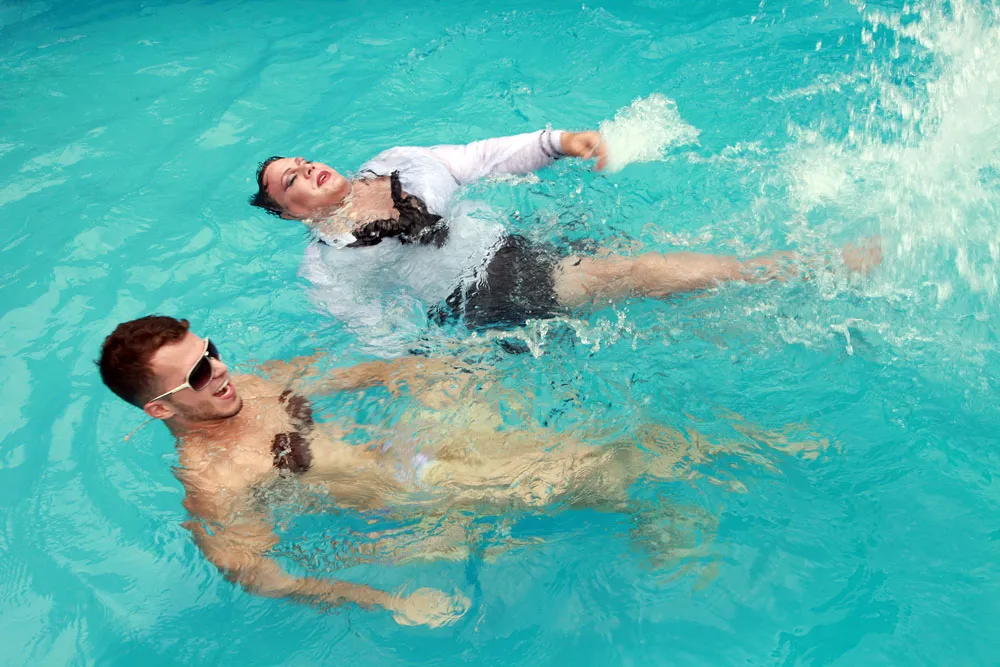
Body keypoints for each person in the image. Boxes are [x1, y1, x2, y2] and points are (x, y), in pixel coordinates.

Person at [97, 315, 824, 626]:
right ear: (161, 408)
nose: (220, 369)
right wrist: (382, 600)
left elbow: (337, 375)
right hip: (407, 494)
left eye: (212, 349)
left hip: (412, 445)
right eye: (198, 372)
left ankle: (690, 479)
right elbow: (259, 574)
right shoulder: (214, 477)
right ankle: (723, 463)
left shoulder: (245, 384)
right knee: (570, 467)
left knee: (568, 436)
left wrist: (412, 368)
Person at [249, 129, 881, 343]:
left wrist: (558, 142)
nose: (306, 169)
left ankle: (767, 306)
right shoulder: (327, 268)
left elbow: (484, 158)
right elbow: (378, 335)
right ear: (289, 214)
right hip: (484, 295)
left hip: (519, 243)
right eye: (289, 181)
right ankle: (809, 267)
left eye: (301, 161)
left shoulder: (398, 161)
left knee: (654, 280)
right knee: (637, 273)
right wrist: (433, 367)